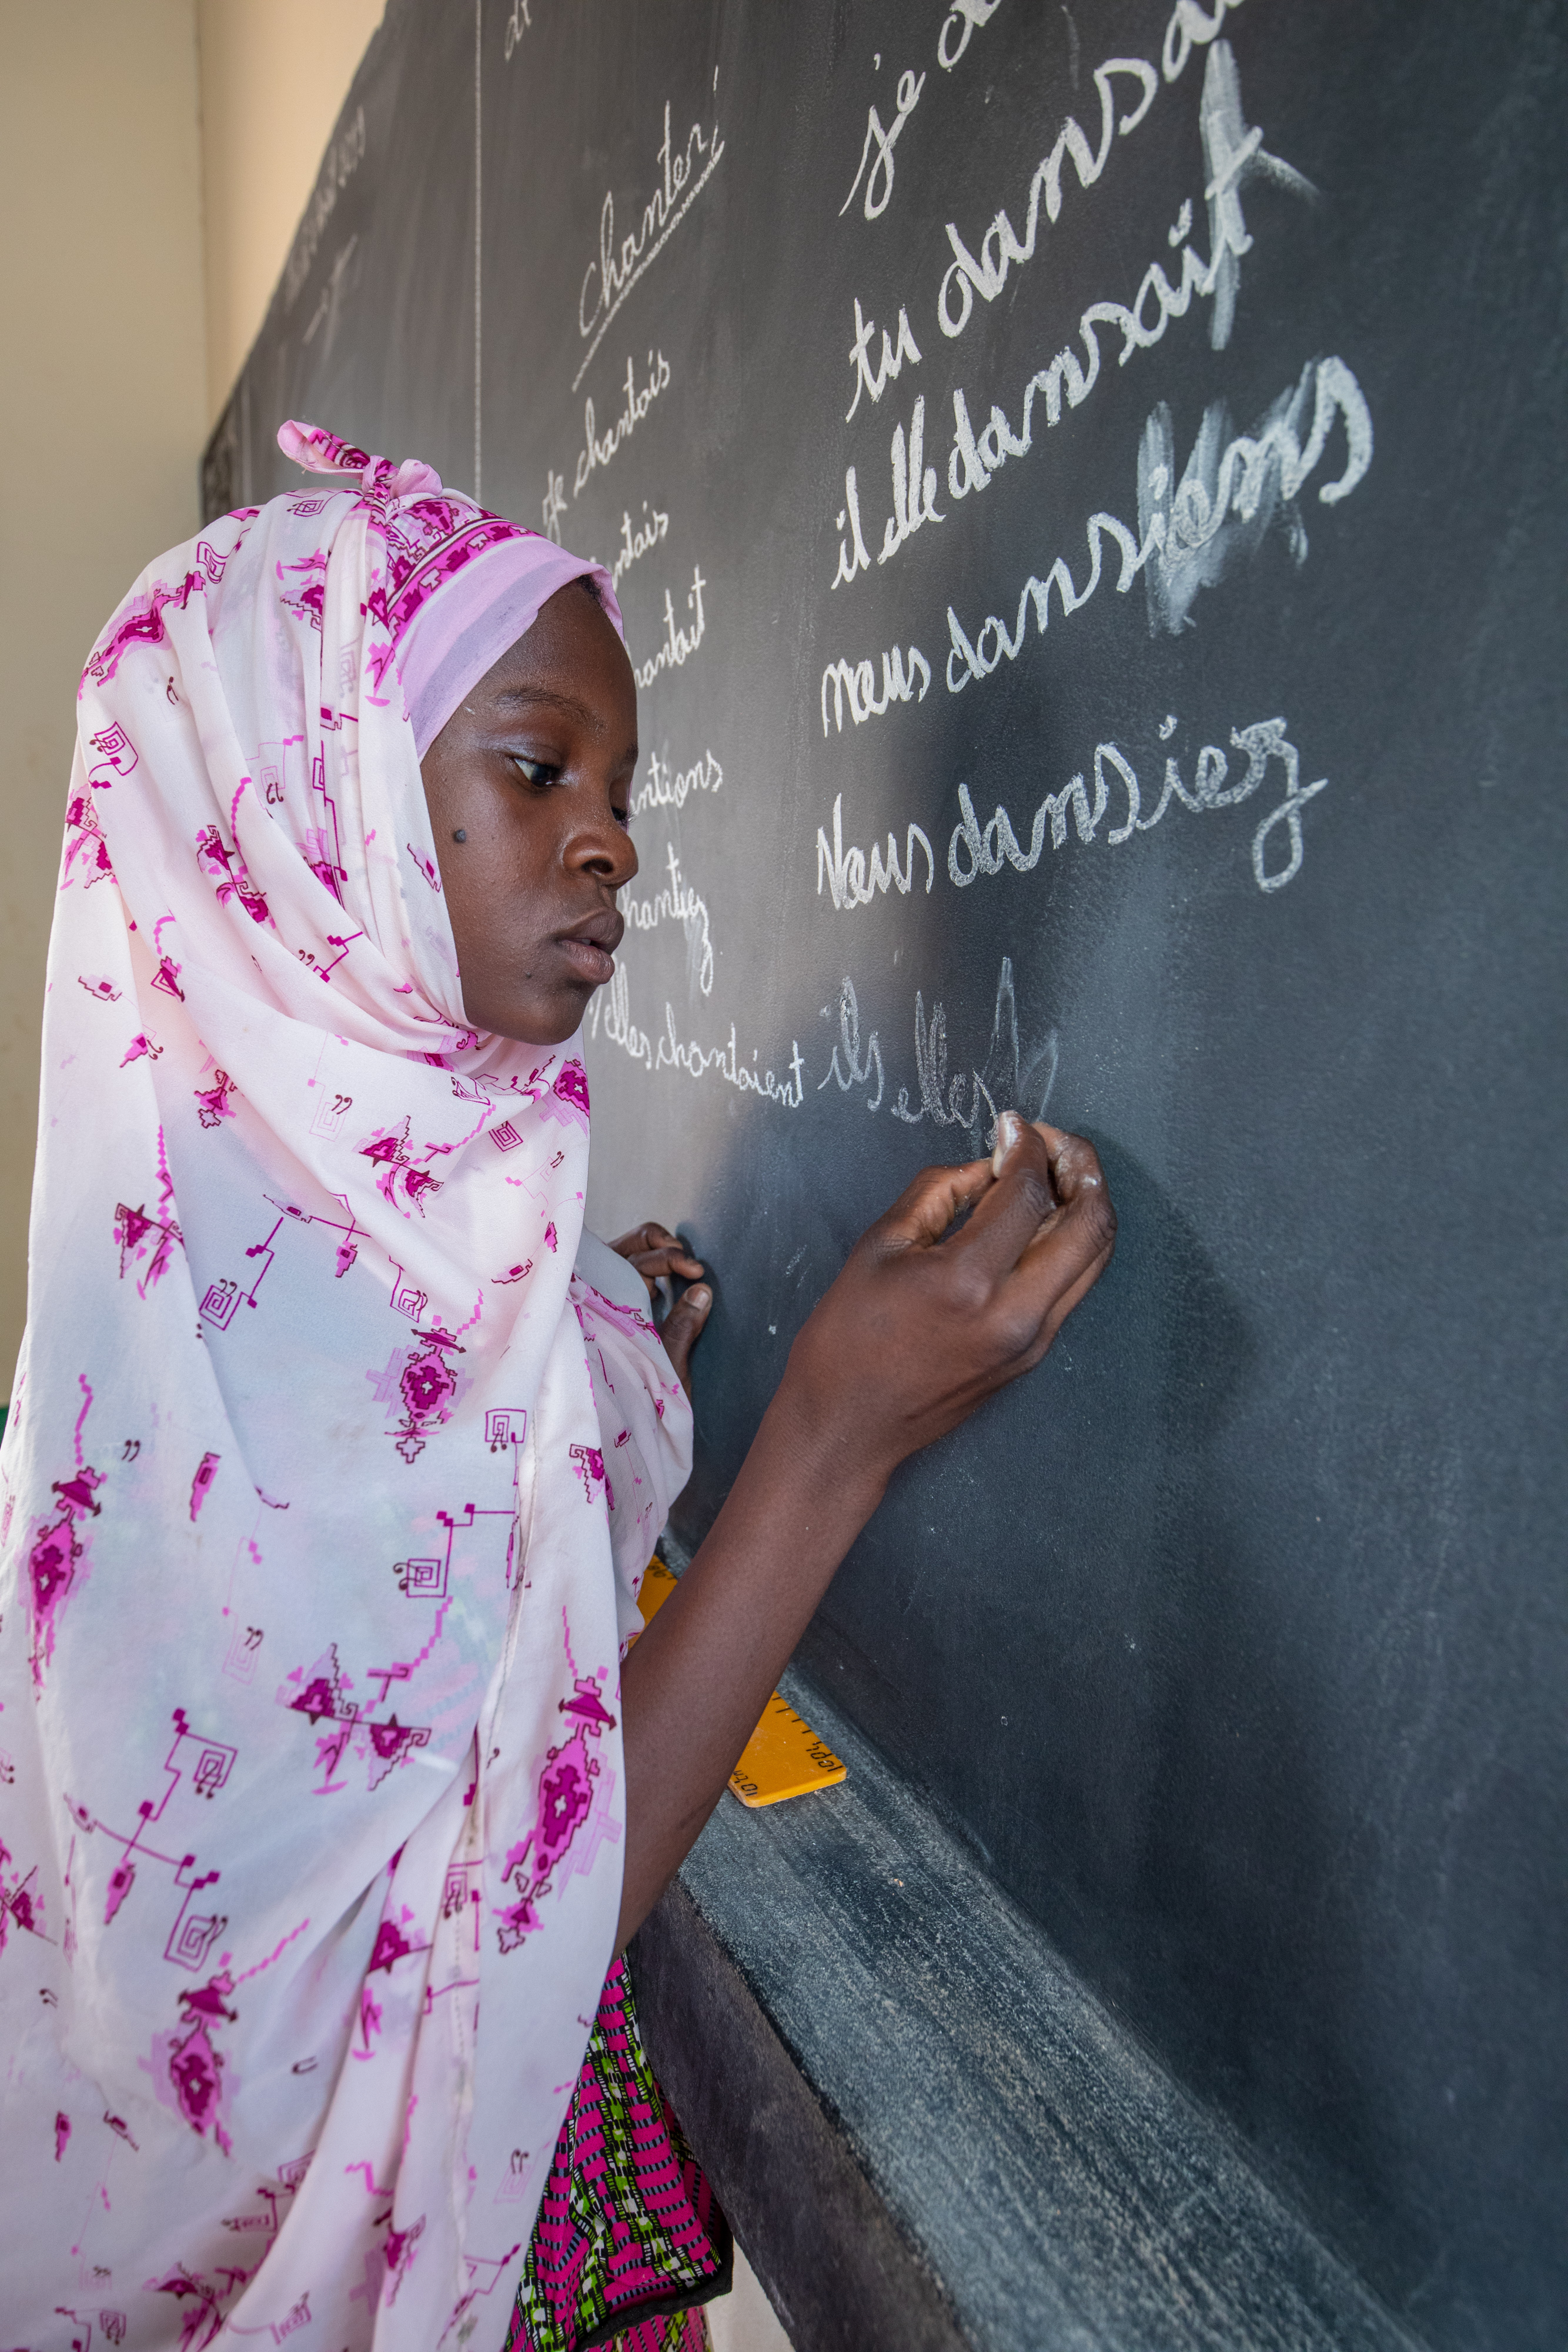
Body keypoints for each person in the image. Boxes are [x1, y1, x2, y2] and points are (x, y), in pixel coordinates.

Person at [0, 425, 1115, 2352]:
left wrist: (605, 1349)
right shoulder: (191, 1432)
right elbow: (420, 1995)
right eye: (536, 768)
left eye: (622, 789)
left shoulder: (429, 1222)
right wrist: (823, 1448)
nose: (610, 838)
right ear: (307, 814)